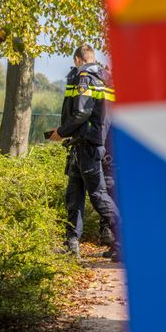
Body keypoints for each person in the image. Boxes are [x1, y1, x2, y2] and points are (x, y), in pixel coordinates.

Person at [48, 45, 120, 261]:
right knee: (74, 196)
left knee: (98, 195)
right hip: (90, 143)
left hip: (86, 144)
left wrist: (61, 131)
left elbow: (82, 111)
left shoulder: (84, 76)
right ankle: (72, 246)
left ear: (78, 59)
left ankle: (126, 241)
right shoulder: (106, 77)